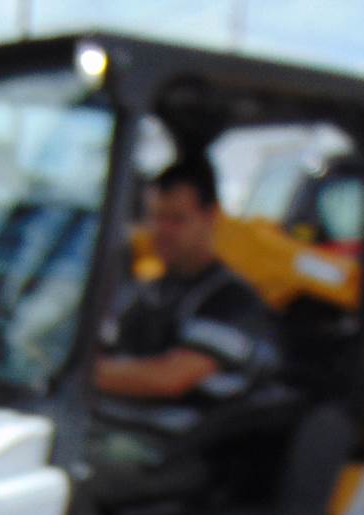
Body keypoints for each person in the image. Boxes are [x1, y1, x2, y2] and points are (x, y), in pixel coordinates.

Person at [93, 157, 283, 468]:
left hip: (169, 452)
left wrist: (81, 371)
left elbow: (168, 379)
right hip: (107, 427)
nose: (162, 230)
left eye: (177, 219)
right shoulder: (147, 290)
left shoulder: (231, 302)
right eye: (156, 217)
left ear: (211, 217)